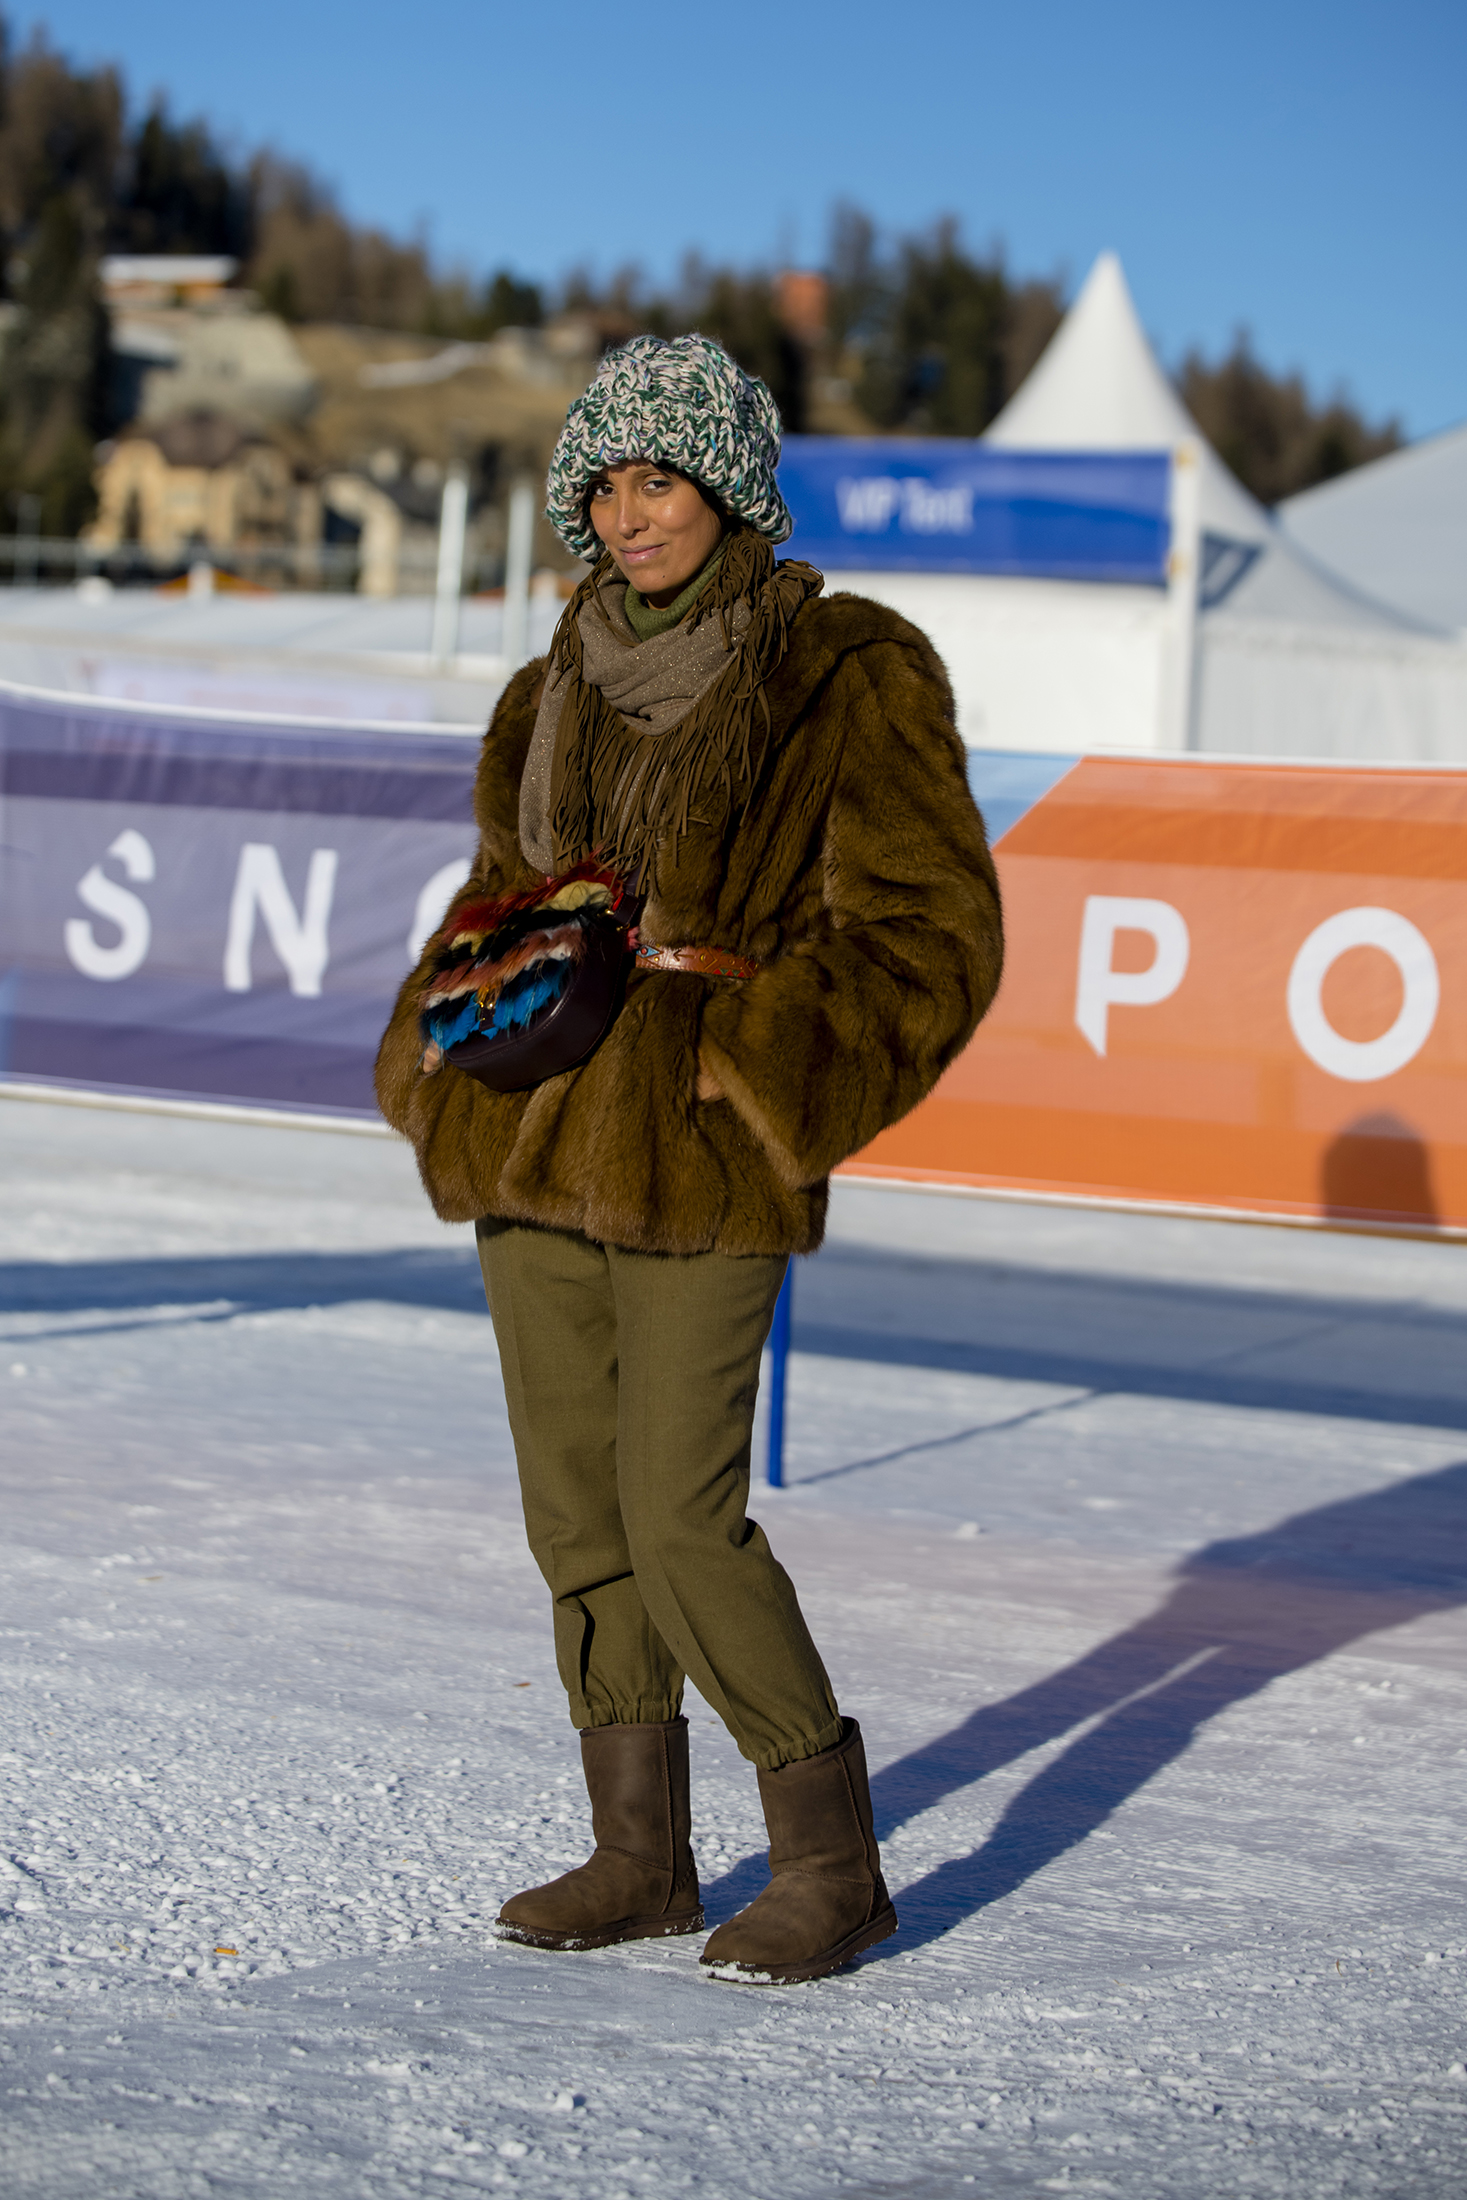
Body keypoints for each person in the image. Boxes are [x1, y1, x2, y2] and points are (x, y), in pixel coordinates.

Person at [376, 334, 1003, 1984]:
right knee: (575, 1511)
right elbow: (492, 896)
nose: (628, 511)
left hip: (702, 1153)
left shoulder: (850, 673)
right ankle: (640, 1856)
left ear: (729, 488)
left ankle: (831, 1862)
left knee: (681, 1515)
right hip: (527, 1134)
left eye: (659, 476)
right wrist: (427, 1055)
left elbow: (932, 934)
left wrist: (766, 1076)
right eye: (603, 480)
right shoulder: (549, 681)